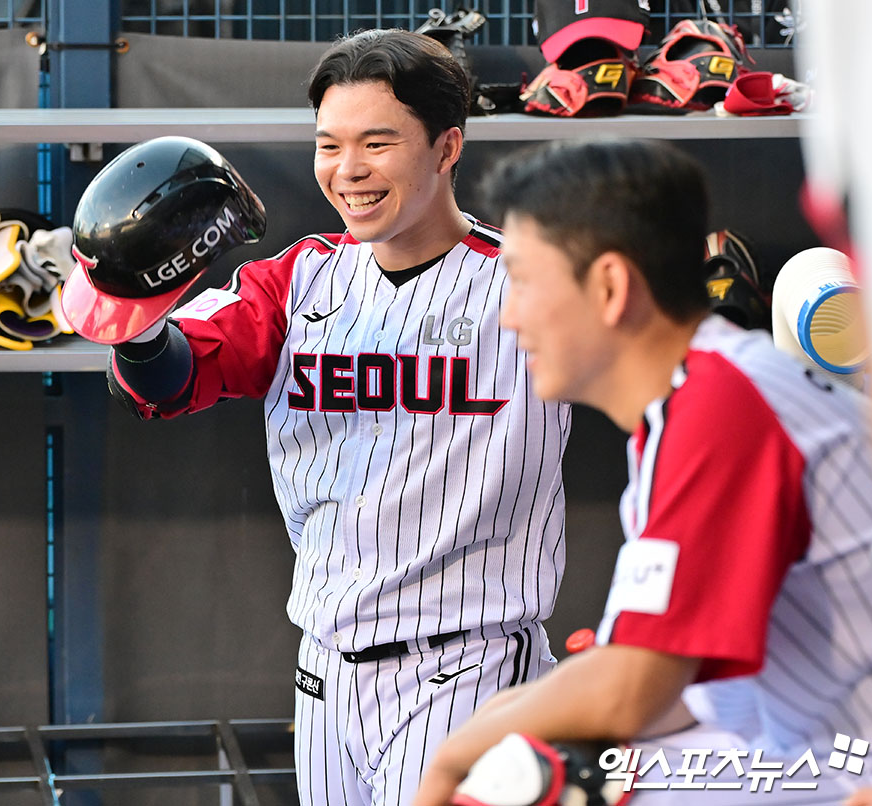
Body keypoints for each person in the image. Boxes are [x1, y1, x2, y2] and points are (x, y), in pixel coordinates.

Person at [63, 29, 570, 806]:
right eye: (328, 145)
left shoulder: (532, 284)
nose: (349, 170)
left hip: (471, 664)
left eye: (377, 143)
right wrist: (137, 321)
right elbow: (171, 379)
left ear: (446, 149)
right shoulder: (298, 281)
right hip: (326, 671)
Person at [412, 138, 872, 806]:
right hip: (818, 747)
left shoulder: (722, 402)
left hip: (863, 766)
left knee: (516, 786)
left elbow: (633, 691)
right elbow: (667, 691)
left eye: (521, 282)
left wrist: (454, 756)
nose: (508, 315)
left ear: (610, 287)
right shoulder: (705, 390)